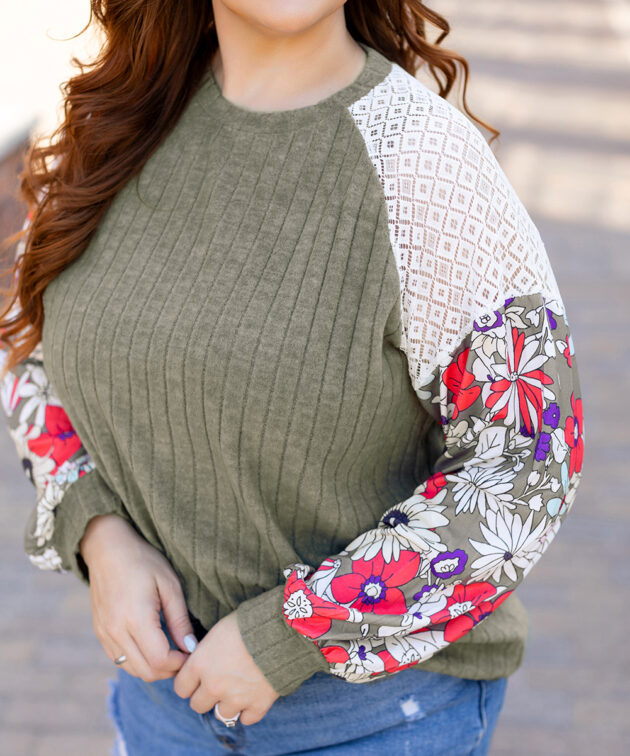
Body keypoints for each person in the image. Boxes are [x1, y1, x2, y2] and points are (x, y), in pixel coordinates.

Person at [0, 1, 584, 754]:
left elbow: (530, 463)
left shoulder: (426, 165)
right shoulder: (112, 118)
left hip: (374, 723)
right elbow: (30, 352)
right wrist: (98, 530)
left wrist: (298, 630)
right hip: (160, 714)